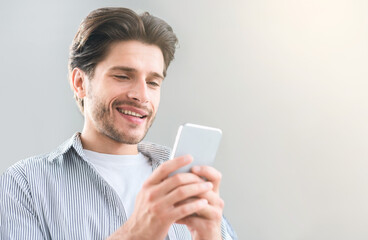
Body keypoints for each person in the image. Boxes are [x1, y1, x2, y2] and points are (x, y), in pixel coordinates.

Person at [0, 7, 237, 240]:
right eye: (123, 76)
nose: (142, 95)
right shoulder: (24, 185)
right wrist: (136, 234)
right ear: (80, 83)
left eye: (153, 82)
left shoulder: (184, 181)